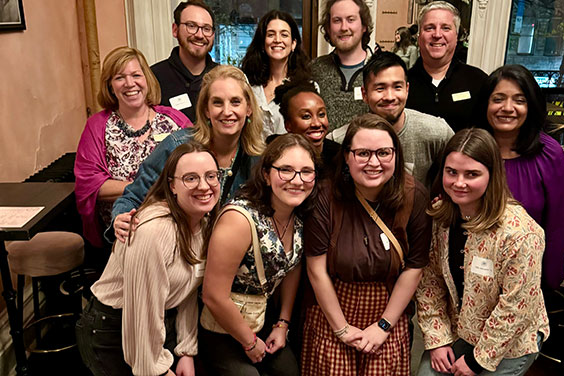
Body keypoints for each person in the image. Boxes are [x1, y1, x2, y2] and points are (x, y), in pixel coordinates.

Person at [301, 114, 431, 375]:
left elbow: (415, 266)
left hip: (388, 312)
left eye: (383, 152)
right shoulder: (325, 196)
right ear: (347, 157)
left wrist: (383, 326)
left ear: (396, 154)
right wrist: (342, 328)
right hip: (332, 312)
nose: (374, 162)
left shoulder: (413, 196)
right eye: (363, 153)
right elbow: (316, 269)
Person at [76, 141, 220, 376]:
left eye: (211, 176)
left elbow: (187, 291)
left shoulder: (202, 222)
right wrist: (158, 370)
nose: (204, 186)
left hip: (156, 326)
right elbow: (140, 313)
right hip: (113, 330)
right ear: (172, 185)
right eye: (191, 178)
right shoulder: (154, 231)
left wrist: (186, 351)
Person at [416, 128, 549, 376]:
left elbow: (516, 307)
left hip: (509, 342)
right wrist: (438, 339)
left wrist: (477, 362)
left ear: (492, 176)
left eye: (472, 174)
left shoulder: (521, 233)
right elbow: (429, 281)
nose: (459, 183)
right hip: (458, 331)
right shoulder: (440, 214)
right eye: (451, 172)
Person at [201, 134, 320, 375]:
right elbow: (213, 295)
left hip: (263, 321)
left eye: (306, 171)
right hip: (221, 328)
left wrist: (283, 323)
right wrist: (250, 342)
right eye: (285, 170)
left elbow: (292, 266)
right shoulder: (239, 219)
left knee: (289, 371)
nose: (297, 180)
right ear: (266, 175)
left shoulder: (298, 215)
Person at [107, 65, 264, 244]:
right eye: (217, 102)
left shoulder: (257, 158)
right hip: (180, 251)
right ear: (206, 110)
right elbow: (132, 197)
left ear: (249, 108)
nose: (227, 112)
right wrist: (121, 218)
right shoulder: (177, 146)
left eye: (235, 102)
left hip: (232, 255)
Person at [75, 46, 192, 248]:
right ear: (110, 86)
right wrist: (147, 190)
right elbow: (88, 185)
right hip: (121, 229)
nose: (130, 84)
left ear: (146, 79)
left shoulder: (174, 121)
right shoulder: (98, 126)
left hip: (173, 226)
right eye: (120, 77)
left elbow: (198, 168)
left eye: (136, 75)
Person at [475, 64, 564, 290]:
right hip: (473, 271)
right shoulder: (471, 149)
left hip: (526, 275)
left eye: (519, 100)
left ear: (532, 105)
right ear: (486, 104)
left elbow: (557, 225)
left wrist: (548, 281)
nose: (507, 108)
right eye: (498, 99)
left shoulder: (550, 154)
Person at [329, 51, 453, 189]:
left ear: (407, 90)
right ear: (365, 94)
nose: (389, 96)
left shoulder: (436, 133)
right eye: (380, 88)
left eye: (397, 87)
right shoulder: (340, 140)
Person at [406, 1, 486, 131]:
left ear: (456, 36)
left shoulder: (478, 81)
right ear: (419, 37)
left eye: (446, 28)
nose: (437, 34)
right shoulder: (403, 83)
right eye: (429, 28)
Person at [311, 0, 375, 130]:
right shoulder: (314, 69)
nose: (344, 27)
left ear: (364, 26)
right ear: (328, 28)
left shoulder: (381, 70)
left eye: (351, 19)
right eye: (337, 20)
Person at [241, 10, 311, 138]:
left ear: (293, 44)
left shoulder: (307, 87)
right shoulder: (246, 86)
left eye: (284, 35)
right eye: (271, 34)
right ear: (263, 43)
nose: (277, 40)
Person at [151, 1, 218, 123]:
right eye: (191, 26)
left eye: (206, 29)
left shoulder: (223, 77)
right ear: (175, 30)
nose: (199, 35)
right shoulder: (153, 78)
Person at [273, 78, 341, 169]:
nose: (316, 124)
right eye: (306, 116)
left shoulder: (340, 157)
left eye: (321, 114)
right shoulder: (276, 157)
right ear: (288, 125)